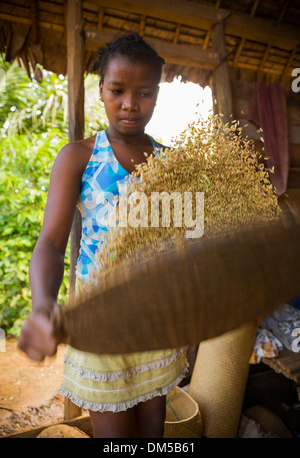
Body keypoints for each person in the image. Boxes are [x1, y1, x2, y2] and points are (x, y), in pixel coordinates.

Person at [18, 33, 188, 438]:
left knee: (153, 433)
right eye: (118, 90)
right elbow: (51, 243)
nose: (131, 103)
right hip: (101, 326)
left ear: (157, 96)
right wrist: (43, 304)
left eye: (144, 93)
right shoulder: (79, 156)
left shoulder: (170, 162)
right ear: (101, 92)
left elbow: (182, 238)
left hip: (156, 323)